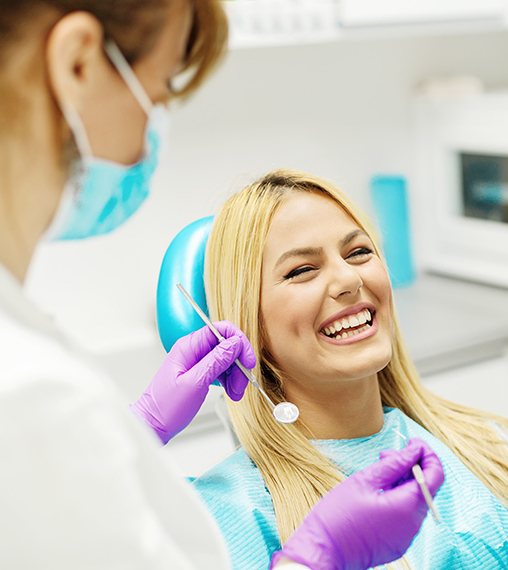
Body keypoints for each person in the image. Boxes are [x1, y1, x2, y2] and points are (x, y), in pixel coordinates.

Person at [0, 2, 443, 568]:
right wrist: (314, 560)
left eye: (358, 251)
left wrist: (137, 429)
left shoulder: (485, 450)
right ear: (80, 63)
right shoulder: (33, 395)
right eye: (158, 96)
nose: (147, 143)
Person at [193, 168, 508, 569]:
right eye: (302, 270)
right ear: (250, 322)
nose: (348, 280)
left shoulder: (486, 448)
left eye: (359, 252)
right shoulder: (226, 511)